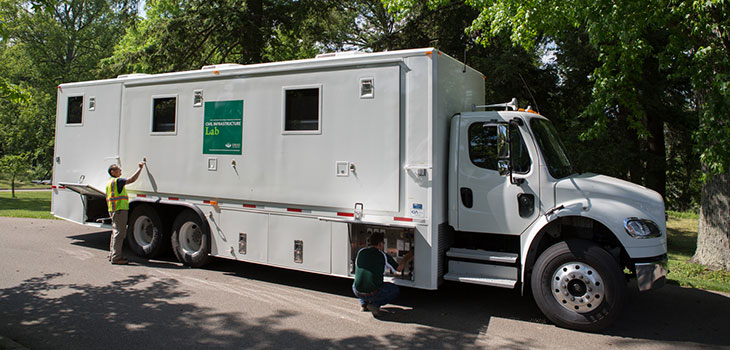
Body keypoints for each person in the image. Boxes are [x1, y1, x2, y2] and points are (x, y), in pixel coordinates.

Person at [352, 231, 414, 316]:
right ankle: (375, 305)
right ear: (380, 244)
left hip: (356, 291)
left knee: (362, 281)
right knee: (394, 290)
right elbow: (399, 269)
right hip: (372, 292)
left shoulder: (361, 251)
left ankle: (364, 304)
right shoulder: (382, 255)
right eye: (383, 243)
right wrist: (408, 256)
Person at [106, 161, 145, 265]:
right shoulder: (117, 181)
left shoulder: (109, 182)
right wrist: (140, 168)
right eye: (118, 169)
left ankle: (112, 255)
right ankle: (116, 258)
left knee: (115, 232)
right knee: (119, 233)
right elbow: (132, 180)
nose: (120, 170)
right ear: (112, 172)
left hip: (113, 210)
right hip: (119, 210)